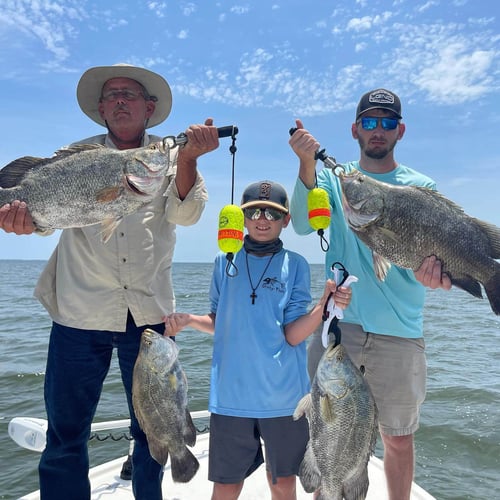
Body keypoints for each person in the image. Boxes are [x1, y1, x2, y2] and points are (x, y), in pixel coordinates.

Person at [0, 63, 220, 500]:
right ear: (101, 109)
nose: (120, 100)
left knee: (152, 432)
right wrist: (22, 223)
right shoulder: (74, 155)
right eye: (112, 95)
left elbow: (187, 214)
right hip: (78, 314)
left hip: (148, 317)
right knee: (65, 435)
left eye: (130, 94)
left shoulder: (172, 157)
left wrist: (189, 160)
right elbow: (46, 219)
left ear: (149, 107)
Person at [288, 88, 452, 500]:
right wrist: (306, 163)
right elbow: (304, 226)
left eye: (386, 122)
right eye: (370, 122)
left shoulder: (419, 187)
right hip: (339, 329)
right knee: (327, 427)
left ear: (400, 130)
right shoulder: (333, 178)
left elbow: (433, 257)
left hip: (400, 331)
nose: (377, 130)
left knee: (397, 438)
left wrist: (436, 275)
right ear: (355, 129)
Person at [164, 180, 352, 500]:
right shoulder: (224, 262)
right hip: (231, 394)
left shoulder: (296, 265)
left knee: (281, 483)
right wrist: (191, 320)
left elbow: (292, 335)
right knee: (226, 484)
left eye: (272, 213)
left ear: (286, 220)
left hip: (282, 398)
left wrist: (322, 307)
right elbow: (223, 321)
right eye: (254, 211)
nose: (262, 219)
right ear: (242, 217)